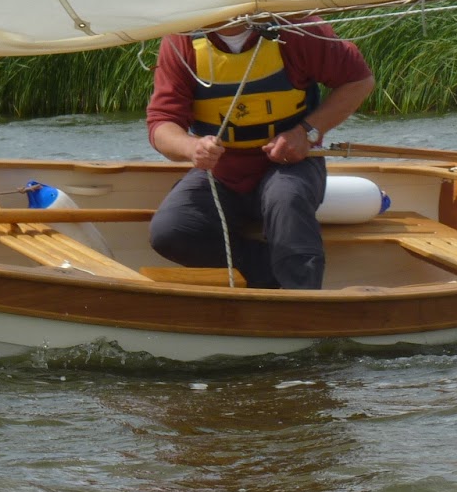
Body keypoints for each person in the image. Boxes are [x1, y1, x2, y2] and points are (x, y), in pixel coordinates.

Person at [146, 16, 374, 289]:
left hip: (292, 164)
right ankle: (270, 283)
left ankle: (303, 301)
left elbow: (358, 81)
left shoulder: (295, 26)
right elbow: (162, 123)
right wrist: (191, 148)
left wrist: (305, 133)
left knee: (286, 199)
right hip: (222, 173)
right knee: (171, 231)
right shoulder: (180, 39)